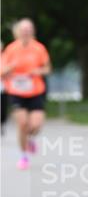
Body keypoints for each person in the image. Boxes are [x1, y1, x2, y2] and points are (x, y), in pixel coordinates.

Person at [0, 19, 51, 169]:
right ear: (17, 32)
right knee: (22, 124)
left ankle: (29, 139)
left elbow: (47, 69)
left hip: (36, 91)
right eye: (23, 29)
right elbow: (1, 71)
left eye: (29, 29)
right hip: (17, 91)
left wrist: (38, 71)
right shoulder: (11, 49)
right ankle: (23, 157)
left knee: (36, 125)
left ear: (32, 31)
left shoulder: (39, 48)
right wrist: (10, 68)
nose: (26, 32)